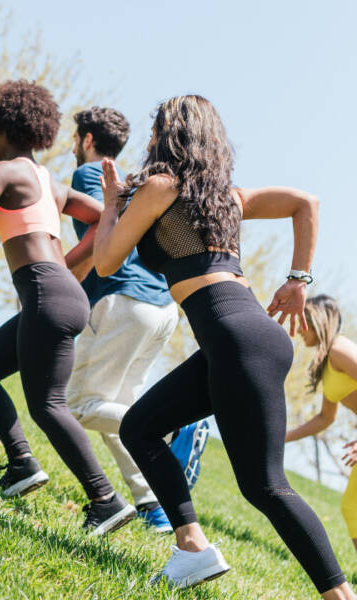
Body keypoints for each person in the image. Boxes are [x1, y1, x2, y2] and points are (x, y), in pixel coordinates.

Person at [93, 95, 353, 598]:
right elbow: (307, 202)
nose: (148, 140)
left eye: (155, 130)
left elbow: (106, 262)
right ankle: (192, 549)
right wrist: (297, 278)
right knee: (140, 427)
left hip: (237, 339)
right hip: (240, 337)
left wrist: (109, 206)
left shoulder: (161, 185)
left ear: (169, 134)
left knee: (265, 487)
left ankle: (340, 595)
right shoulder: (227, 197)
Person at [0, 80, 136, 536]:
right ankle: (21, 465)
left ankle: (105, 500)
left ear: (6, 129)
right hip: (60, 295)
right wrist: (69, 265)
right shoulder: (47, 182)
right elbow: (103, 217)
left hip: (46, 295)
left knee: (49, 406)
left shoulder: (6, 171)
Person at [65, 107, 210, 534]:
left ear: (86, 140)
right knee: (118, 408)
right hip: (161, 308)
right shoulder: (132, 182)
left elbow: (98, 235)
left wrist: (58, 269)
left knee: (77, 406)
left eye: (76, 138)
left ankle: (173, 432)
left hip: (124, 302)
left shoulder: (91, 175)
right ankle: (154, 504)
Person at [286, 295, 357, 550]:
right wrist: (282, 438)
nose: (300, 329)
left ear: (319, 319)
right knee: (353, 508)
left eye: (303, 319)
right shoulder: (328, 359)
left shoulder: (340, 349)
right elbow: (326, 418)